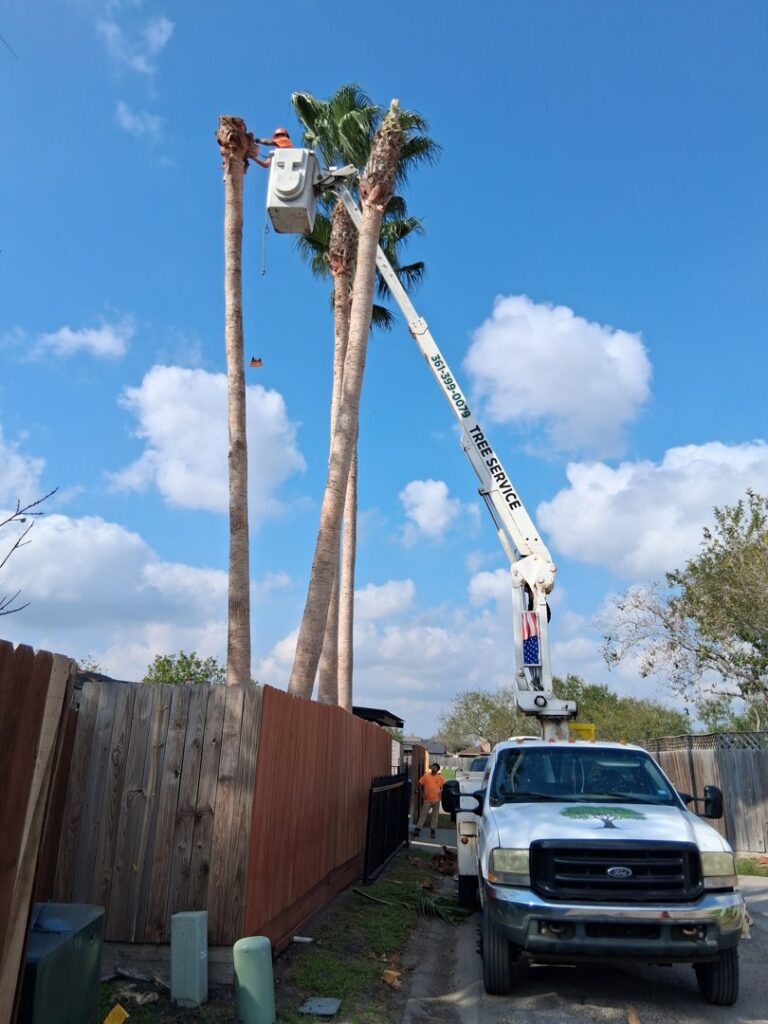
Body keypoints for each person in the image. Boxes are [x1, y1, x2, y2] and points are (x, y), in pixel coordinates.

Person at [413, 763, 445, 839]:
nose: (434, 768)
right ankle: (418, 829)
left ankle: (433, 830)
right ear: (431, 768)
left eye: (436, 768)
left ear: (438, 770)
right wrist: (421, 794)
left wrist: (441, 794)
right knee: (423, 814)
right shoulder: (426, 776)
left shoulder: (440, 778)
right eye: (433, 767)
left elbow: (444, 787)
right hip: (427, 800)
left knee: (435, 816)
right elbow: (419, 784)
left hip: (436, 800)